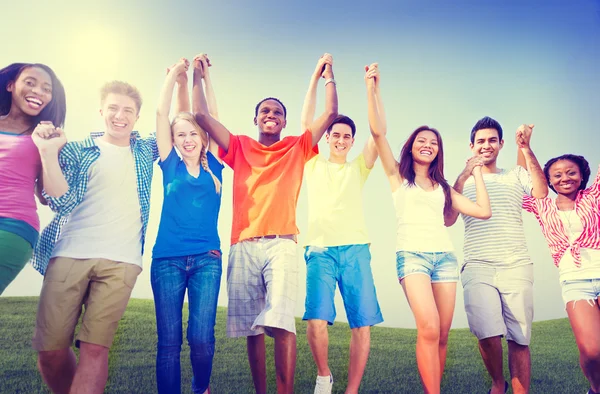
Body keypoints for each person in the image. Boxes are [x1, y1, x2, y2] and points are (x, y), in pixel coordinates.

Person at [193, 53, 338, 394]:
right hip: (243, 244)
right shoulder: (240, 146)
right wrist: (196, 75)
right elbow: (201, 115)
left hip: (282, 244)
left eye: (277, 112)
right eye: (266, 111)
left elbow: (329, 113)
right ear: (256, 118)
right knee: (252, 328)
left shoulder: (297, 147)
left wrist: (325, 74)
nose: (271, 115)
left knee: (283, 320)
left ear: (284, 122)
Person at [366, 63, 492, 394]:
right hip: (412, 258)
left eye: (433, 142)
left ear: (438, 151)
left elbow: (482, 211)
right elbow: (378, 133)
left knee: (443, 333)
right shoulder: (398, 176)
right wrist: (373, 88)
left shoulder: (443, 188)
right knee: (429, 327)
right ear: (411, 146)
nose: (428, 144)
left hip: (445, 260)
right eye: (422, 140)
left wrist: (474, 170)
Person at [30, 80, 158, 394]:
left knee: (95, 348)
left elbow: (180, 119)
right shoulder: (75, 149)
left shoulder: (146, 149)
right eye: (113, 108)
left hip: (123, 261)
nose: (120, 115)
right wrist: (48, 152)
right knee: (50, 351)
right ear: (101, 111)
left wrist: (180, 78)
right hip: (71, 252)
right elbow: (59, 201)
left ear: (137, 117)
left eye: (128, 110)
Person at [445, 118, 548, 394]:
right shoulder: (461, 183)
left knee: (519, 338)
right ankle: (497, 383)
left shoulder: (515, 174)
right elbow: (448, 218)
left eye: (492, 140)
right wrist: (464, 175)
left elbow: (540, 191)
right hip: (477, 264)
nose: (486, 145)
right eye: (480, 141)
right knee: (486, 333)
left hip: (516, 264)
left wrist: (526, 149)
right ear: (471, 145)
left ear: (501, 144)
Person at [300, 57, 383, 394]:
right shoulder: (312, 162)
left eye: (347, 136)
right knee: (316, 321)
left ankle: (351, 389)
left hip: (355, 250)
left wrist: (373, 88)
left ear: (351, 141)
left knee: (361, 325)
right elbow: (308, 121)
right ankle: (324, 375)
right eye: (335, 134)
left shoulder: (359, 168)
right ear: (328, 137)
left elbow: (378, 132)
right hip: (319, 250)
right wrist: (318, 78)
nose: (340, 139)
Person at [151, 55, 224, 394]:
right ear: (174, 139)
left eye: (192, 132)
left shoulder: (217, 167)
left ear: (201, 135)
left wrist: (203, 78)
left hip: (207, 259)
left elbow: (213, 118)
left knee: (201, 339)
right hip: (167, 260)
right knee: (168, 342)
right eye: (179, 134)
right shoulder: (170, 165)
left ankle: (200, 387)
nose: (187, 139)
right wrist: (176, 75)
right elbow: (160, 114)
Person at [521, 153, 600, 394]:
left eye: (571, 172)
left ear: (582, 175)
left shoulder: (594, 196)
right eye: (557, 175)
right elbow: (520, 180)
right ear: (548, 180)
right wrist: (524, 147)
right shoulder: (540, 203)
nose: (565, 178)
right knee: (591, 350)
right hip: (575, 282)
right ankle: (596, 389)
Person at [0, 62, 66, 294]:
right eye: (30, 83)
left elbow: (50, 198)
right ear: (10, 85)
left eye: (46, 89)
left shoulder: (45, 136)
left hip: (12, 226)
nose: (38, 91)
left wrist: (48, 150)